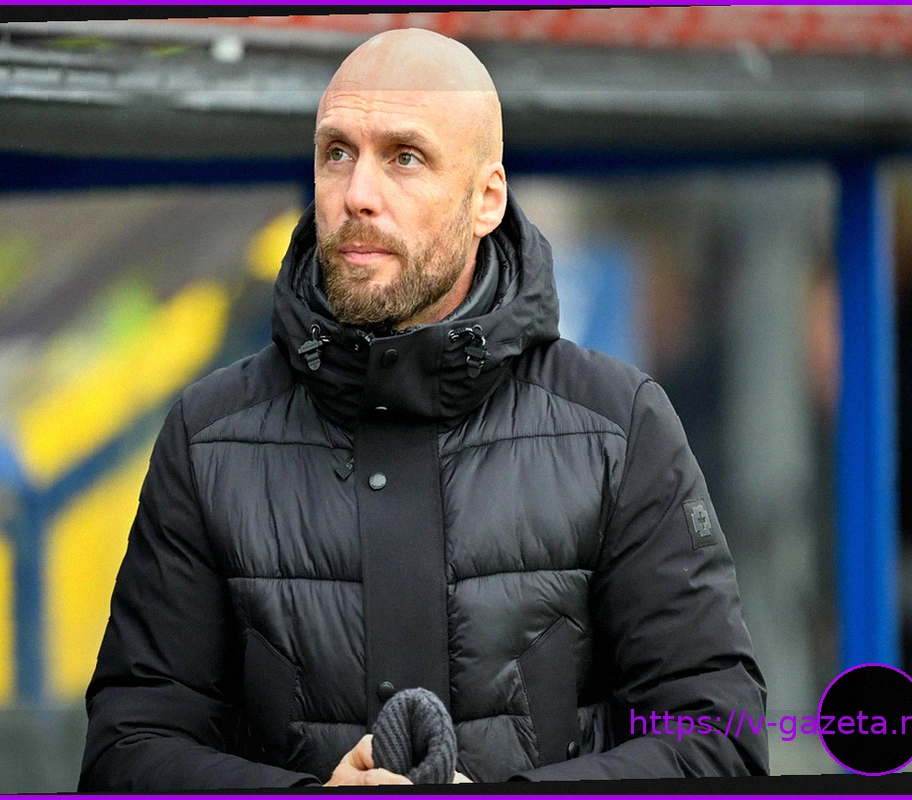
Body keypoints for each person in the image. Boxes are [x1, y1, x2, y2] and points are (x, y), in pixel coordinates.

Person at [79, 28, 768, 789]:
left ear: (486, 200)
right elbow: (126, 753)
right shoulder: (208, 437)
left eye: (404, 157)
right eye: (337, 152)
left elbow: (719, 739)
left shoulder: (619, 427)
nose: (357, 194)